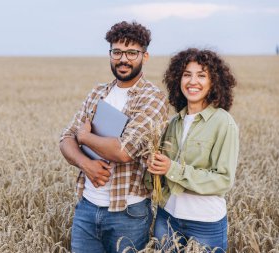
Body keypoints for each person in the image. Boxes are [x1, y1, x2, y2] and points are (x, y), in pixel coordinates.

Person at [59, 21, 168, 253]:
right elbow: (66, 138)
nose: (123, 59)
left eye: (131, 53)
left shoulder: (153, 98)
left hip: (127, 214)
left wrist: (85, 137)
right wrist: (85, 163)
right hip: (87, 207)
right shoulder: (98, 92)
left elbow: (124, 151)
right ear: (110, 54)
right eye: (117, 52)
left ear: (145, 56)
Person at [147, 48, 239, 252]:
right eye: (187, 74)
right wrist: (153, 168)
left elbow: (223, 179)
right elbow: (162, 174)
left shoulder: (223, 123)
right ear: (177, 80)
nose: (192, 81)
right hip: (167, 217)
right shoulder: (173, 123)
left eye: (201, 75)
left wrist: (173, 168)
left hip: (205, 223)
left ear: (214, 81)